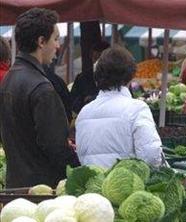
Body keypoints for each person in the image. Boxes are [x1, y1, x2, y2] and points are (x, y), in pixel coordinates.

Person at [0, 8, 80, 188]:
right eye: (56, 39)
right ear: (41, 41)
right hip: (43, 190)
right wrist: (80, 172)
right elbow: (56, 146)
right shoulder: (41, 87)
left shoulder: (9, 79)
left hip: (14, 186)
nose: (58, 46)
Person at [76, 46, 163, 168]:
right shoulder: (137, 109)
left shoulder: (84, 114)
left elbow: (82, 158)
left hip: (92, 185)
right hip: (129, 185)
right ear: (130, 76)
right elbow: (151, 156)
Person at [70, 40, 110, 114]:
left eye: (101, 59)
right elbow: (72, 102)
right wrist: (85, 103)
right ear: (91, 57)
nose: (98, 62)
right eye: (95, 58)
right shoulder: (82, 78)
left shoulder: (117, 78)